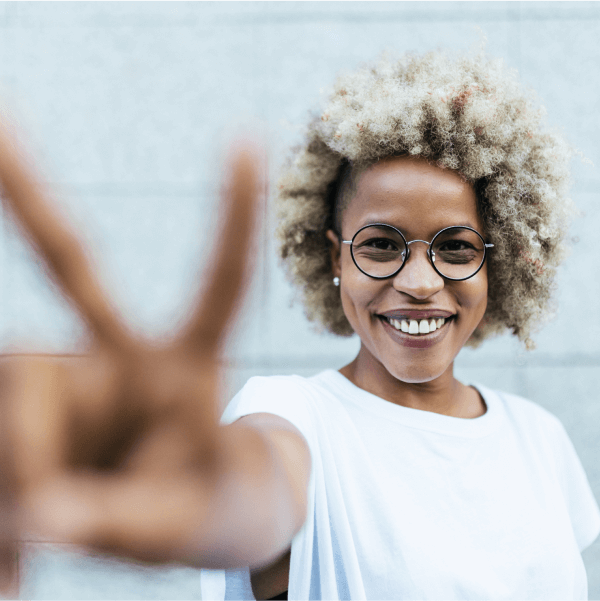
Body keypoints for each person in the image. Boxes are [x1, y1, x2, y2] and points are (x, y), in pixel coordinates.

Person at [0, 47, 597, 601]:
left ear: (498, 261)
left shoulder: (538, 438)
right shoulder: (296, 417)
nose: (419, 282)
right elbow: (255, 493)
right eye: (382, 245)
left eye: (458, 249)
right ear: (333, 256)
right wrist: (205, 497)